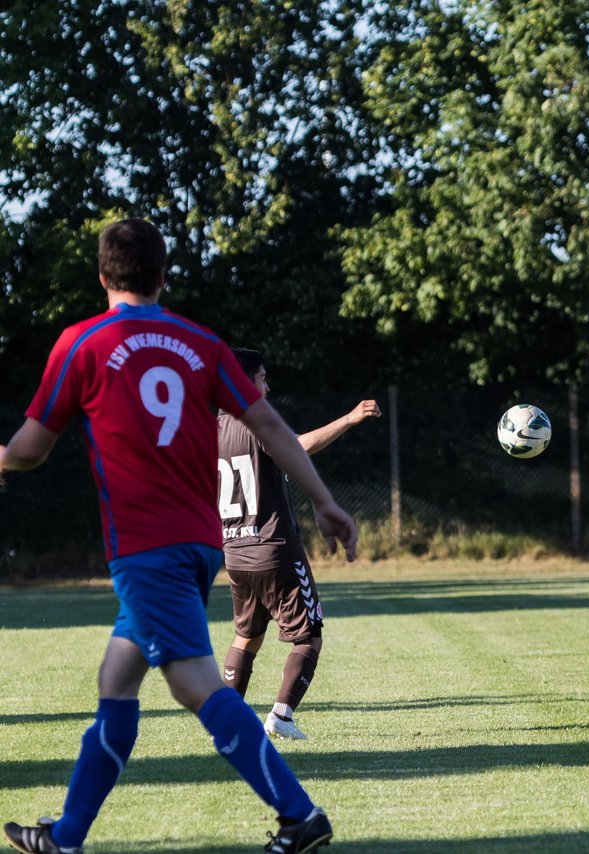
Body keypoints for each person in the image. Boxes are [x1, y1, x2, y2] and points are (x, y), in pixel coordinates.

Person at [0, 219, 354, 854]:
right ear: (163, 276)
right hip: (200, 543)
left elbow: (28, 450)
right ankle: (66, 836)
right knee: (117, 680)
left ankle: (300, 815)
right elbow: (269, 424)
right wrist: (324, 500)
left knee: (195, 683)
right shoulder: (200, 342)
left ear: (103, 277)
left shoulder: (82, 343)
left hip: (146, 548)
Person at [219, 348, 381, 740]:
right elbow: (298, 446)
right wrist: (349, 418)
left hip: (235, 552)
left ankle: (225, 721)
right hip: (274, 548)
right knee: (309, 635)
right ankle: (282, 715)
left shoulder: (213, 427)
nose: (267, 385)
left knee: (247, 635)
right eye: (261, 377)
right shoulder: (256, 422)